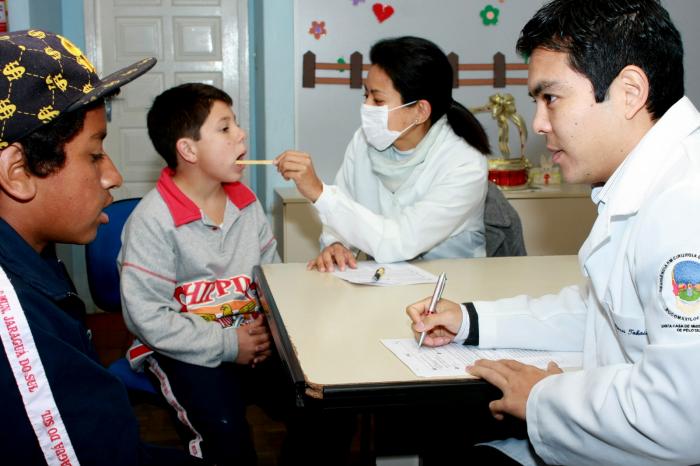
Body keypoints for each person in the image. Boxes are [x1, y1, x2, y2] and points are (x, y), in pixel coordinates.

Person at [407, 1, 700, 465]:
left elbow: (681, 415)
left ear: (629, 92)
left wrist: (544, 395)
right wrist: (470, 320)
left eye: (551, 98)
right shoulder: (642, 183)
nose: (539, 123)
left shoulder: (685, 205)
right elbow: (601, 311)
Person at [0, 29, 196, 465]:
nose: (113, 176)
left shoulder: (32, 253)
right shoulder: (10, 317)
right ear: (17, 172)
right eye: (95, 153)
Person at [118, 82, 283, 465]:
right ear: (188, 150)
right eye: (225, 128)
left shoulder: (248, 203)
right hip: (180, 348)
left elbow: (270, 281)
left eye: (236, 124)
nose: (241, 134)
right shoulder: (152, 221)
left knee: (319, 405)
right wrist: (230, 345)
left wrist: (267, 333)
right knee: (225, 434)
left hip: (250, 340)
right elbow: (149, 319)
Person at [276, 36, 491, 271]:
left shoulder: (464, 162)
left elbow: (399, 240)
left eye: (377, 100)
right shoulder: (363, 141)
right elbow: (344, 208)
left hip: (452, 283)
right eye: (365, 95)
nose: (366, 107)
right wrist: (336, 243)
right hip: (383, 280)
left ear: (420, 111)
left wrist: (319, 192)